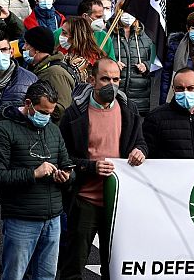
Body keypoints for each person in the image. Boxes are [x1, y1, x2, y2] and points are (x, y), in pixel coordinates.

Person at [58, 58, 146, 280]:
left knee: (115, 266)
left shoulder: (129, 110)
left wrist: (140, 151)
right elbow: (62, 156)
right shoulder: (75, 114)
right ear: (91, 80)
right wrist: (91, 167)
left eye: (116, 79)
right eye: (105, 79)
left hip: (117, 203)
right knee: (73, 265)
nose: (111, 85)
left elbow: (141, 142)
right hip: (85, 200)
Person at [0, 81, 74, 280]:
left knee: (47, 276)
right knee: (14, 275)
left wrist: (66, 176)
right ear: (28, 103)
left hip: (53, 219)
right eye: (43, 111)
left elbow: (67, 164)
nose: (47, 117)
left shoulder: (53, 130)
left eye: (50, 112)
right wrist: (33, 174)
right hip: (21, 220)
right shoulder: (2, 131)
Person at [22, 26, 75, 124]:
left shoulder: (55, 73)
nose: (23, 47)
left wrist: (39, 110)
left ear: (37, 50)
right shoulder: (36, 68)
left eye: (27, 44)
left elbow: (64, 108)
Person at [161, 12, 194, 103]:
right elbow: (167, 75)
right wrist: (163, 101)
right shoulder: (176, 47)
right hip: (183, 94)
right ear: (188, 29)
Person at [110, 11, 154, 115]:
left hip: (140, 96)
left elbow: (156, 60)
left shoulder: (146, 35)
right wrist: (112, 64)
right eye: (125, 11)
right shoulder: (109, 34)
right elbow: (101, 57)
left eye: (131, 11)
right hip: (115, 94)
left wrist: (146, 65)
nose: (128, 15)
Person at [58, 17, 106, 83]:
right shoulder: (61, 51)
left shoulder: (92, 59)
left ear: (75, 36)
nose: (61, 36)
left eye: (64, 33)